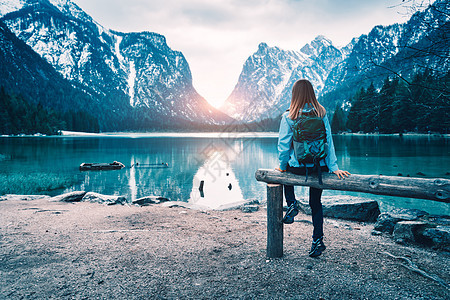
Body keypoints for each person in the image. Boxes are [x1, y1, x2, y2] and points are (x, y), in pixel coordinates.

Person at [275, 79, 350, 257]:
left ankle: (292, 204)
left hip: (298, 168)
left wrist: (281, 166)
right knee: (315, 203)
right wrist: (333, 167)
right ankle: (317, 241)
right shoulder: (321, 112)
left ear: (294, 94)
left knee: (286, 174)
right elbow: (329, 141)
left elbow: (284, 145)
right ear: (311, 93)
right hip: (319, 167)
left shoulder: (289, 116)